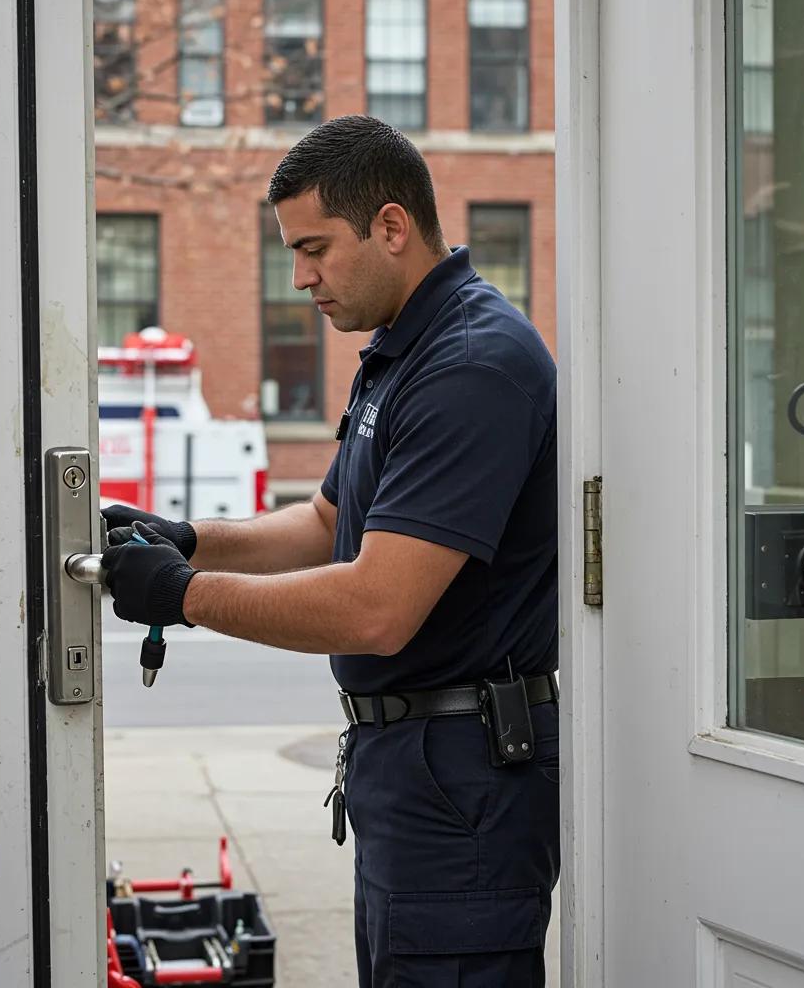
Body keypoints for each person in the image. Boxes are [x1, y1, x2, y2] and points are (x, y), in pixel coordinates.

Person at [101, 114, 559, 986]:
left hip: (464, 779)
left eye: (314, 249)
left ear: (391, 226)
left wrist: (183, 594)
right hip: (413, 769)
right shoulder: (402, 348)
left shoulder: (472, 365)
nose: (300, 276)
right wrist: (189, 539)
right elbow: (323, 523)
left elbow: (376, 609)